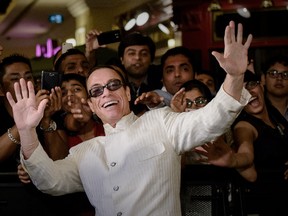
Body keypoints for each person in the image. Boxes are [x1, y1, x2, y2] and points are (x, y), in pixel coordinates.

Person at [7, 21, 252, 215]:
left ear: (126, 92)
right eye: (97, 91)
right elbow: (50, 181)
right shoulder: (84, 152)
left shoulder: (161, 122)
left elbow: (210, 121)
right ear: (92, 105)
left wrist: (234, 77)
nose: (106, 93)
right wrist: (27, 131)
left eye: (114, 85)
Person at [195, 70, 288, 215]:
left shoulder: (274, 115)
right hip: (269, 203)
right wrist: (232, 160)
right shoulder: (244, 126)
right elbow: (246, 154)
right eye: (241, 90)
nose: (248, 92)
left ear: (261, 86)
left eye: (251, 84)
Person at [117, 32, 162, 115]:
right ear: (122, 59)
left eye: (144, 54)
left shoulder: (162, 81)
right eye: (131, 53)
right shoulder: (116, 84)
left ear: (151, 59)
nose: (138, 58)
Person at [261, 54, 288, 121]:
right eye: (273, 74)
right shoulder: (255, 109)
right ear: (263, 79)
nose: (279, 78)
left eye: (285, 74)